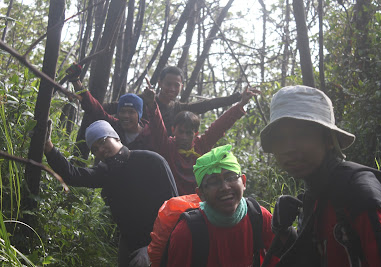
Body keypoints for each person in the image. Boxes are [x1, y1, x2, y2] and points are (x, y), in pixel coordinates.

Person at [259, 85, 381, 266]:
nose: (289, 148)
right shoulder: (315, 195)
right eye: (279, 138)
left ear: (329, 140)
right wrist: (285, 231)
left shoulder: (359, 194)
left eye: (302, 134)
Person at [44, 120, 178, 267]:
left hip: (160, 243)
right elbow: (73, 175)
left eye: (102, 141)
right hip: (130, 244)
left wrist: (153, 248)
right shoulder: (106, 172)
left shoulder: (151, 160)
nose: (100, 149)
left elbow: (173, 208)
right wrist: (49, 147)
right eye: (94, 149)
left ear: (116, 137)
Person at [165, 144, 279, 267]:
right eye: (213, 182)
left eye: (230, 177)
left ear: (244, 182)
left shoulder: (259, 217)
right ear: (201, 194)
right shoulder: (186, 233)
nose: (225, 187)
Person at [142, 85, 260, 195]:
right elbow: (157, 124)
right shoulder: (167, 145)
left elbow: (220, 125)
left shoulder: (201, 145)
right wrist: (152, 104)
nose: (183, 136)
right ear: (173, 130)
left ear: (195, 133)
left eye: (188, 133)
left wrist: (242, 103)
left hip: (199, 203)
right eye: (180, 132)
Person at [103, 66, 242, 136]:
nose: (172, 88)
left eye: (177, 85)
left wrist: (237, 97)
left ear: (182, 86)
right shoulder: (142, 100)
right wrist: (83, 97)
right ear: (160, 83)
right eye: (168, 84)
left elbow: (207, 105)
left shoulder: (178, 108)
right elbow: (111, 107)